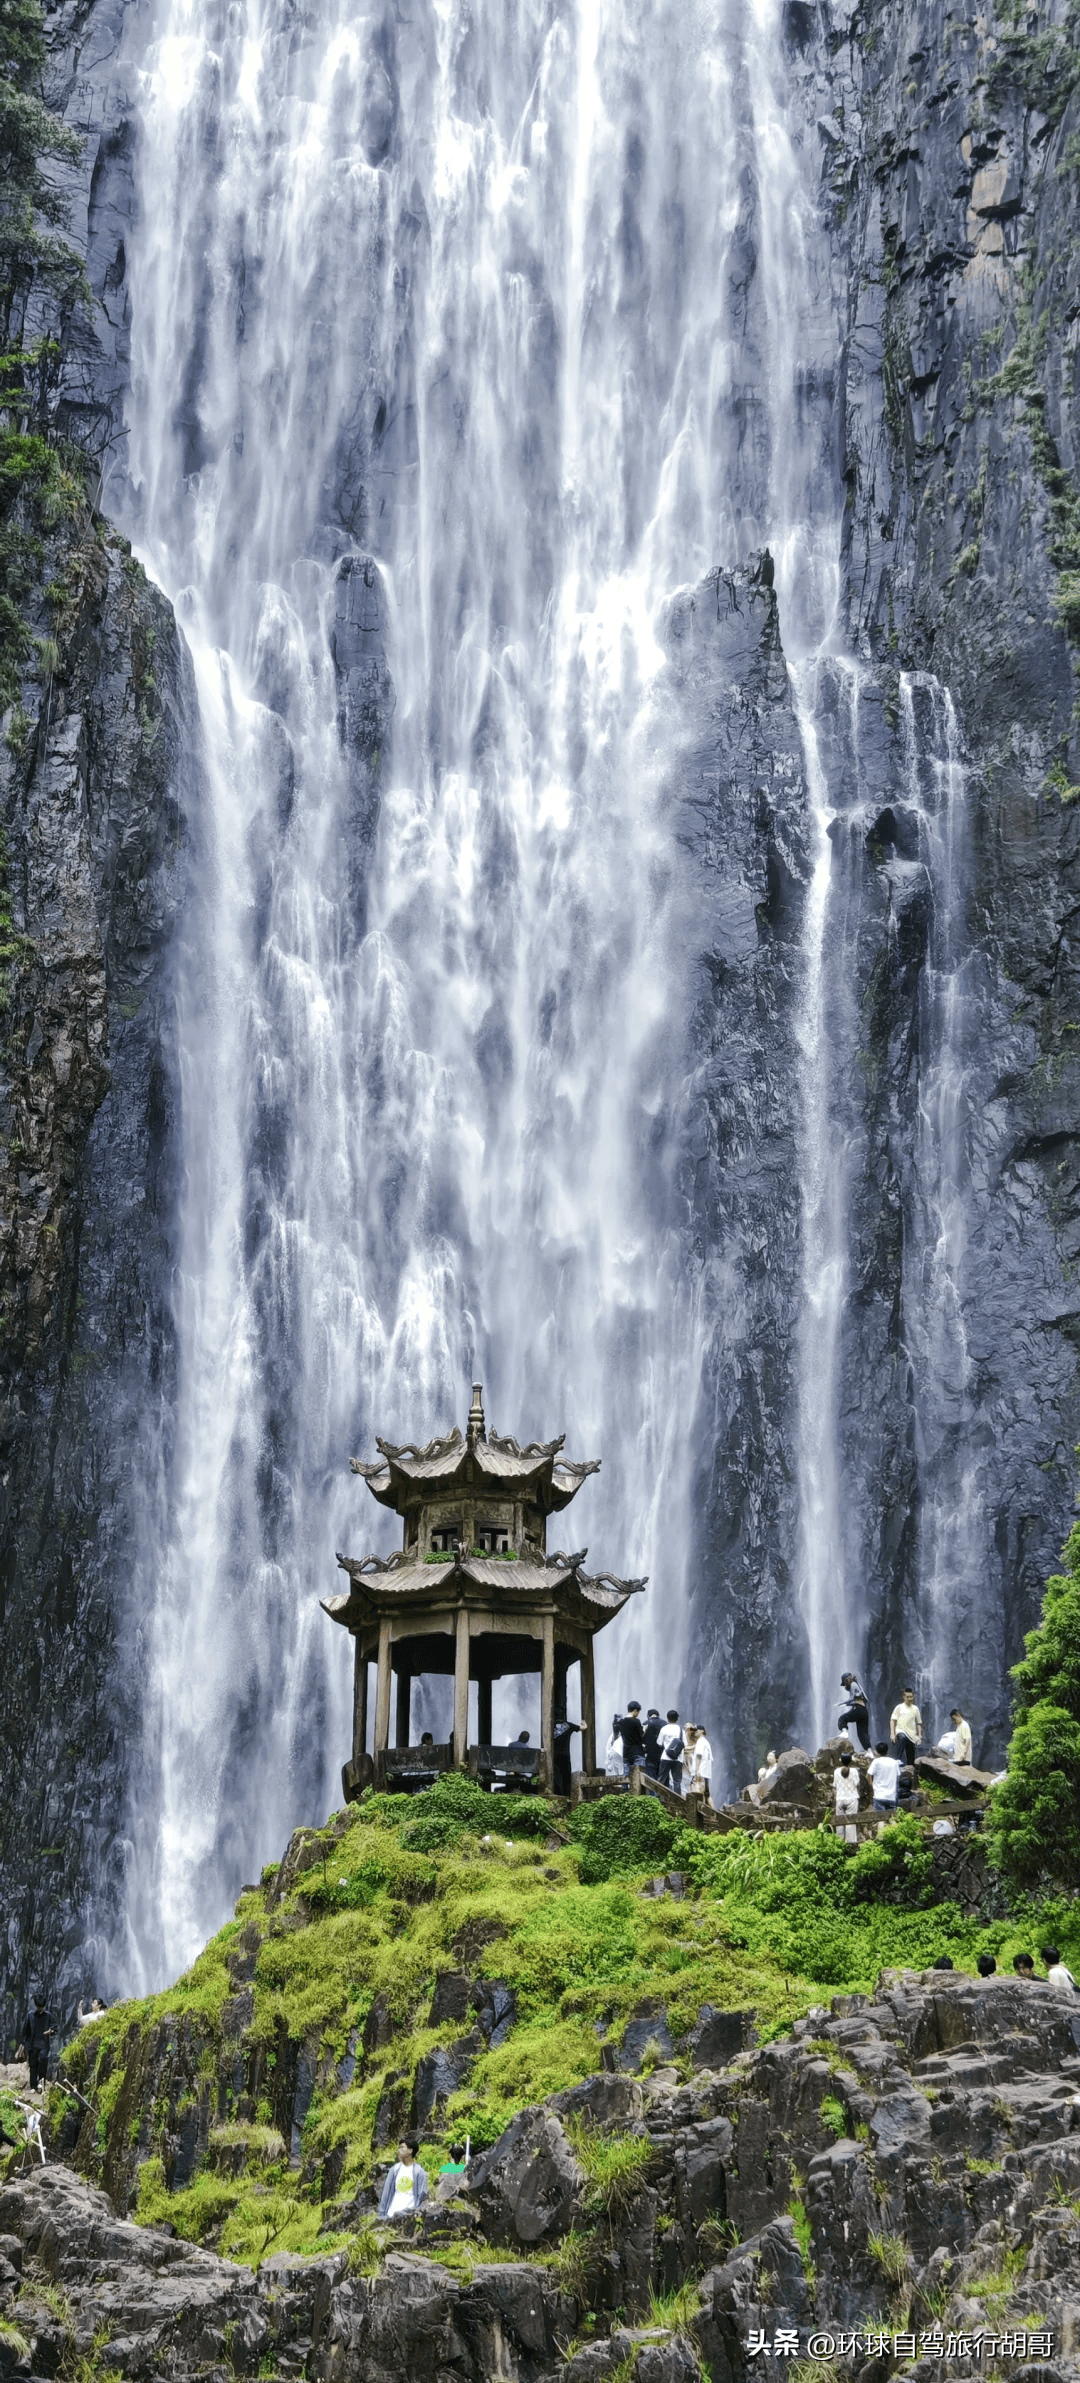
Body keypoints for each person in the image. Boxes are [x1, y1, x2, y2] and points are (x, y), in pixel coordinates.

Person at [378, 2137, 429, 2219]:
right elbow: (386, 2193)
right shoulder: (394, 2170)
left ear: (410, 2150)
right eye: (399, 2147)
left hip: (409, 2217)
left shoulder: (419, 2172)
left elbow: (422, 2195)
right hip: (391, 2215)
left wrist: (418, 2213)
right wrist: (381, 2214)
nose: (399, 2150)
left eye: (402, 2147)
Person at [18, 1994, 55, 2091]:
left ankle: (41, 2084)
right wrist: (22, 2043)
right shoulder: (30, 2015)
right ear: (36, 2005)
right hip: (32, 2044)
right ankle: (33, 2086)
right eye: (39, 2007)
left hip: (44, 2044)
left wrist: (50, 2031)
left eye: (42, 2007)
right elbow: (25, 2031)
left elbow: (54, 2028)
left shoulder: (48, 2015)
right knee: (33, 2065)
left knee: (43, 2062)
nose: (40, 2009)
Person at [838, 1672, 871, 1752]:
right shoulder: (858, 1686)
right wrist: (847, 1705)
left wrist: (841, 1703)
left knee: (842, 1718)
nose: (845, 1686)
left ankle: (845, 1733)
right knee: (862, 1734)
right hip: (863, 1711)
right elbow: (859, 1701)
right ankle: (869, 1752)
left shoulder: (853, 1684)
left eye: (844, 1683)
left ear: (846, 1680)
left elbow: (851, 1699)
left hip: (859, 1710)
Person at [890, 1687, 923, 1766]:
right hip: (901, 1731)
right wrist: (892, 1734)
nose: (909, 1698)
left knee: (911, 1755)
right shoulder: (899, 1707)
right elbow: (893, 1720)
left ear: (913, 1697)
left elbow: (918, 1723)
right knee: (902, 1738)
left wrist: (919, 1735)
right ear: (904, 1697)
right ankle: (898, 1760)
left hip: (911, 1734)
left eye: (911, 1697)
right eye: (907, 1697)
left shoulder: (915, 1709)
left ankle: (910, 1768)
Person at [868, 1740, 901, 1817]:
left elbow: (869, 1775)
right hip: (891, 1796)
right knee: (892, 1819)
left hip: (879, 1795)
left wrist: (871, 1784)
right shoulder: (894, 1762)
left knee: (880, 1819)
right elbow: (898, 1776)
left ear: (877, 1751)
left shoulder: (876, 1762)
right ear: (887, 1751)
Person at [833, 1752, 860, 1842]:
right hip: (852, 1799)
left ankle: (839, 1843)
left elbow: (835, 1785)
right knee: (851, 1823)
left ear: (840, 1761)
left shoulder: (836, 1771)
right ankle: (851, 1844)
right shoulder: (854, 1771)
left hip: (840, 1799)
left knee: (839, 1823)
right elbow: (857, 1784)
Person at [552, 1718, 581, 1797]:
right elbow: (583, 1728)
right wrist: (583, 1721)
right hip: (565, 1755)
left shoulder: (550, 1725)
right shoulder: (569, 1725)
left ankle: (558, 1793)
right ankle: (567, 1795)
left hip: (553, 1755)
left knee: (556, 1775)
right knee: (566, 1776)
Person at [657, 1710, 684, 1794]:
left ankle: (657, 1800)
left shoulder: (664, 1729)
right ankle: (677, 1802)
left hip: (666, 1757)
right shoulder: (681, 1730)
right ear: (677, 1718)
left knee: (661, 1779)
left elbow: (659, 1742)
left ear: (667, 1718)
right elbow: (684, 1744)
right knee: (677, 1781)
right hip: (678, 1758)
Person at [688, 1724, 713, 1808]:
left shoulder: (700, 1741)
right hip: (705, 1773)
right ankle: (715, 1813)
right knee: (707, 1794)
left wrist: (697, 1771)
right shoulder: (706, 1742)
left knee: (695, 1793)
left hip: (700, 1773)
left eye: (697, 1730)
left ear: (702, 1731)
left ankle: (698, 1814)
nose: (695, 1732)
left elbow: (699, 1756)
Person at [618, 1702, 646, 1775]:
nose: (638, 1714)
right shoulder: (636, 1721)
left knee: (626, 1776)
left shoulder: (621, 1722)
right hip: (637, 1752)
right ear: (635, 1710)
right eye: (638, 1712)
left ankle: (625, 1787)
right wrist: (644, 1731)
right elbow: (640, 1736)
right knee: (638, 1775)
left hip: (626, 1752)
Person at [643, 1709, 664, 1780]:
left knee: (651, 1776)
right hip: (662, 1754)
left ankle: (652, 1791)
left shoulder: (645, 1723)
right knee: (662, 1776)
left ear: (648, 1716)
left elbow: (641, 1739)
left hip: (649, 1754)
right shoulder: (665, 1723)